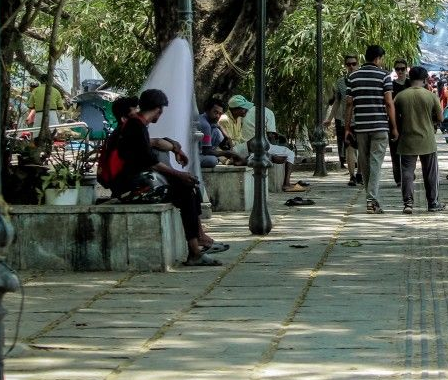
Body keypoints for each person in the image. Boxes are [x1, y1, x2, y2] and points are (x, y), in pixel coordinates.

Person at [111, 88, 225, 267]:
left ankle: (197, 241)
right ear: (159, 109)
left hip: (137, 183)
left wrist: (176, 154)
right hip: (130, 189)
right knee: (186, 189)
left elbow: (151, 154)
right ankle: (195, 251)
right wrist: (179, 174)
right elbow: (151, 162)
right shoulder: (136, 126)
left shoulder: (138, 124)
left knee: (189, 186)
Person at [345, 44, 398, 215]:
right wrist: (394, 126)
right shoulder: (384, 76)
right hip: (380, 126)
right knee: (375, 163)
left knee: (365, 163)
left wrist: (347, 128)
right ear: (377, 59)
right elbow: (389, 103)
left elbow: (349, 104)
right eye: (382, 59)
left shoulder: (353, 77)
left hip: (360, 127)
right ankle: (371, 200)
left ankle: (371, 199)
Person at [393, 65, 444, 214]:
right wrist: (430, 120)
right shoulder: (430, 96)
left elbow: (394, 117)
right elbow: (440, 118)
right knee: (430, 173)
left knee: (407, 172)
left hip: (407, 139)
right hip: (427, 139)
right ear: (425, 79)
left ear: (410, 77)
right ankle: (433, 203)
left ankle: (408, 203)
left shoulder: (401, 96)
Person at [228, 96, 305, 192]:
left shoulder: (242, 114)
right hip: (255, 145)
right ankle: (286, 183)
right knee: (289, 153)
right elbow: (270, 135)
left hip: (243, 146)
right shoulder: (267, 112)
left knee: (260, 151)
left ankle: (248, 159)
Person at [325, 55, 359, 171]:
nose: (351, 66)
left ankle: (360, 173)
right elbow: (337, 102)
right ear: (345, 66)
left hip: (362, 119)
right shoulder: (340, 82)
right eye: (349, 64)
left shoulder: (362, 80)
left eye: (354, 64)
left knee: (362, 149)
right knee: (349, 147)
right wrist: (329, 119)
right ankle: (352, 176)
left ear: (358, 64)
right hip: (347, 120)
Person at [198, 96, 244, 167]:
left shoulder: (208, 120)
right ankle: (218, 158)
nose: (218, 116)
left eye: (220, 114)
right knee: (212, 160)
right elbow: (206, 151)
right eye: (215, 112)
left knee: (217, 131)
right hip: (198, 154)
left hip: (204, 149)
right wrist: (225, 153)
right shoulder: (205, 125)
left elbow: (219, 126)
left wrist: (227, 137)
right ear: (207, 110)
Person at [389, 58, 411, 187]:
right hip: (395, 121)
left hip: (410, 120)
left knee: (409, 151)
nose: (400, 71)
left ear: (406, 69)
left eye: (402, 68)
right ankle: (398, 178)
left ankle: (408, 174)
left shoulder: (411, 84)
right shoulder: (391, 85)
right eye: (398, 69)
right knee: (395, 151)